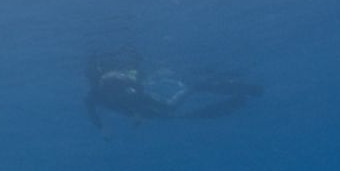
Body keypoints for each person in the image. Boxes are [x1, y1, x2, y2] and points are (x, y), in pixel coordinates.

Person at [84, 47, 263, 131]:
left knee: (169, 110)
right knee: (168, 112)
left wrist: (135, 107)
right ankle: (202, 89)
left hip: (134, 101)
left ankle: (194, 87)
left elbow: (135, 85)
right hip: (133, 103)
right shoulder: (96, 92)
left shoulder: (108, 81)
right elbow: (93, 111)